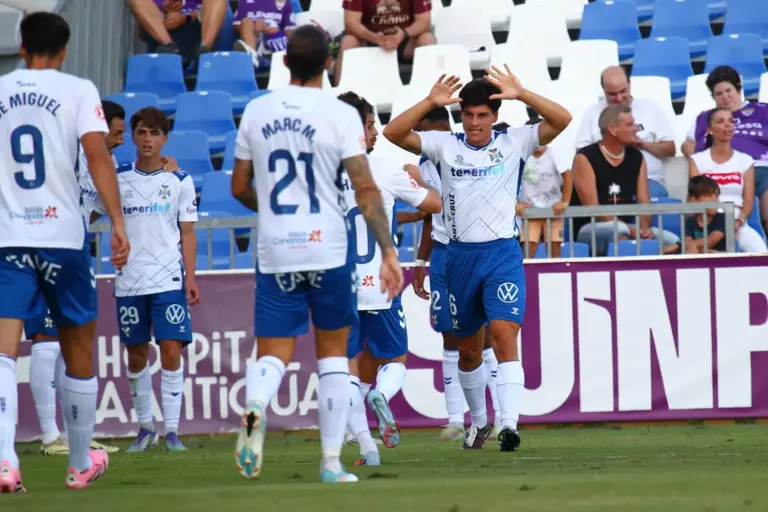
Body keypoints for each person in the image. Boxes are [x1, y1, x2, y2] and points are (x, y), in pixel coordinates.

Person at [230, 25, 402, 483]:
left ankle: (255, 405)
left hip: (277, 250)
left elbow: (238, 186)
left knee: (273, 353)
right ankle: (330, 463)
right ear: (329, 62)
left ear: (284, 62)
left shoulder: (256, 110)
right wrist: (387, 250)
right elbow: (365, 188)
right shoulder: (340, 116)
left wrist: (272, 210)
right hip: (327, 249)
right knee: (332, 356)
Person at [384, 66, 572, 451]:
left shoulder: (515, 142)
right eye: (468, 115)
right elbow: (393, 134)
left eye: (482, 115)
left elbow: (562, 119)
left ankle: (510, 424)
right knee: (467, 350)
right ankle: (480, 421)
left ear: (495, 116)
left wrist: (522, 93)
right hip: (458, 258)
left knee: (505, 337)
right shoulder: (443, 144)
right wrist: (430, 101)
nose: (474, 123)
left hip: (502, 253)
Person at [0, 12, 130, 492]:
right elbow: (97, 156)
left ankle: (4, 460)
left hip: (8, 237)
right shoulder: (77, 90)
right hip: (63, 238)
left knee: (4, 352)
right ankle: (79, 463)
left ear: (21, 45)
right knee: (77, 346)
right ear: (66, 48)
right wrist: (117, 222)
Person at [337, 91, 441, 466]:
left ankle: (366, 447)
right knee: (394, 358)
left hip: (338, 287)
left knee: (346, 369)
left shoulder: (320, 173)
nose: (375, 131)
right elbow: (434, 205)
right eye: (369, 124)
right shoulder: (381, 169)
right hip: (380, 282)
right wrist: (414, 179)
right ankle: (381, 393)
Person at [90, 107, 200, 453]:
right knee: (136, 355)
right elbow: (89, 211)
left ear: (165, 139)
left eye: (154, 133)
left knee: (170, 349)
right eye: (141, 132)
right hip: (129, 281)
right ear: (133, 137)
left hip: (168, 279)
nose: (147, 139)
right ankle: (144, 428)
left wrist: (191, 277)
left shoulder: (180, 180)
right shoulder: (117, 178)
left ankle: (172, 430)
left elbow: (188, 232)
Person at [26, 100, 130, 458]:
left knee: (69, 344)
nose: (121, 140)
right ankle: (48, 434)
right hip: (43, 249)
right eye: (116, 133)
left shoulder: (106, 161)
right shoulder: (64, 150)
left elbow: (99, 205)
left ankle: (72, 436)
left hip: (73, 251)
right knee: (47, 340)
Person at [408, 107, 503, 442]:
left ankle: (500, 416)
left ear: (437, 128)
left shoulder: (467, 158)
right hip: (442, 256)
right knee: (449, 334)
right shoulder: (422, 166)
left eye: (421, 130)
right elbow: (428, 218)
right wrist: (420, 264)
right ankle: (454, 418)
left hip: (474, 251)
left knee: (487, 334)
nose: (416, 138)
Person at [571, 104, 680, 256]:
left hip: (628, 229)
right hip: (591, 228)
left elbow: (644, 203)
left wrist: (644, 229)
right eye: (630, 124)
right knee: (620, 231)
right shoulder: (585, 157)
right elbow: (594, 210)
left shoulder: (637, 157)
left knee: (672, 241)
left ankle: (639, 252)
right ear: (612, 130)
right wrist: (632, 230)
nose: (636, 128)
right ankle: (642, 254)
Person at [682, 66, 768, 236]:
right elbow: (687, 144)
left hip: (760, 170)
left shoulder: (762, 110)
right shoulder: (706, 117)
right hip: (719, 172)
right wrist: (704, 158)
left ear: (738, 88)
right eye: (718, 94)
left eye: (728, 90)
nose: (725, 97)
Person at [575, 66, 675, 191]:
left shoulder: (650, 108)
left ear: (629, 83)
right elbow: (581, 154)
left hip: (649, 179)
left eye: (623, 91)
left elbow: (670, 150)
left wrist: (642, 144)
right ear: (603, 89)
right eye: (612, 94)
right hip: (604, 180)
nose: (619, 98)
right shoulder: (593, 113)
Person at [688, 108, 766, 253]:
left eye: (731, 121)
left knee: (761, 254)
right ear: (710, 130)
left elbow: (748, 201)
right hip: (708, 223)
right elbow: (695, 197)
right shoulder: (697, 160)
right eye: (721, 121)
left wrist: (739, 221)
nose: (728, 125)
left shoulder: (745, 160)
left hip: (736, 222)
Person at [335, 0, 436, 85]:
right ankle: (339, 96)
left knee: (428, 39)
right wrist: (375, 37)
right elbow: (351, 23)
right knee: (348, 42)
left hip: (405, 39)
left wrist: (404, 34)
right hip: (368, 39)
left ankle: (433, 93)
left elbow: (425, 23)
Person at [517, 117, 572, 259]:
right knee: (528, 250)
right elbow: (512, 182)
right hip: (530, 212)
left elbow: (568, 176)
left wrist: (564, 201)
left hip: (553, 210)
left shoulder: (554, 153)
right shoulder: (522, 156)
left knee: (554, 249)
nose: (539, 141)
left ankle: (557, 278)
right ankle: (527, 279)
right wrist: (516, 203)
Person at [128, 0, 228, 66]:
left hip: (197, 35)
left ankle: (204, 52)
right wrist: (165, 12)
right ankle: (170, 48)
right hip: (165, 36)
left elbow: (211, 10)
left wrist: (186, 17)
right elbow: (142, 35)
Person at [233, 0, 296, 71]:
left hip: (275, 39)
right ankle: (252, 57)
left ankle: (263, 60)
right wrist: (254, 26)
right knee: (246, 21)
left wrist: (276, 30)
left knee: (277, 36)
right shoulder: (244, 1)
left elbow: (291, 31)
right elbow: (236, 25)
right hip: (254, 38)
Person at [684, 176, 727, 254]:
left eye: (716, 196)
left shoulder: (723, 218)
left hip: (721, 261)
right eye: (709, 196)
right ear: (694, 200)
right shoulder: (689, 221)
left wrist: (697, 248)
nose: (715, 199)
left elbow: (711, 241)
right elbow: (688, 244)